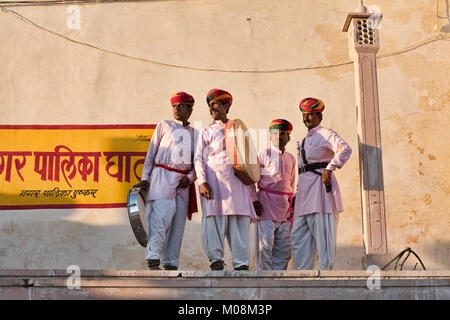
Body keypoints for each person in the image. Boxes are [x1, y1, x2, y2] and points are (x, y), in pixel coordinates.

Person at [194, 88, 256, 271]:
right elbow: (198, 158)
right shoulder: (206, 131)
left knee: (239, 221)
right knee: (214, 221)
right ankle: (216, 260)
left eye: (216, 104)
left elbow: (249, 159)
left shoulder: (238, 129)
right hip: (214, 182)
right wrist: (202, 181)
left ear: (226, 106)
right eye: (210, 105)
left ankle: (242, 263)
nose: (212, 108)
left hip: (237, 181)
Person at [136, 91, 198, 270]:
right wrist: (145, 178)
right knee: (160, 218)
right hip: (162, 177)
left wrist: (190, 178)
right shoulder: (164, 125)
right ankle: (153, 258)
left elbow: (199, 163)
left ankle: (171, 262)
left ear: (190, 109)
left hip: (183, 182)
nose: (177, 109)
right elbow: (151, 154)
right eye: (174, 106)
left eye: (181, 106)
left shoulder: (196, 133)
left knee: (178, 224)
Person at [291, 97, 352, 270]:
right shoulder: (303, 141)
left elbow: (345, 149)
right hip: (303, 197)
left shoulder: (326, 134)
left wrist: (330, 168)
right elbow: (302, 171)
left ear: (319, 116)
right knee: (298, 238)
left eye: (310, 115)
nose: (306, 118)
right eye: (304, 115)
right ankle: (304, 278)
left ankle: (326, 276)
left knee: (324, 238)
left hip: (320, 193)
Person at [247, 119, 296, 270]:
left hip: (285, 208)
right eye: (275, 134)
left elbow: (292, 184)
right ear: (270, 137)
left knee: (284, 249)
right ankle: (264, 279)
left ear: (288, 137)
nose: (279, 137)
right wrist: (254, 200)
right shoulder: (263, 154)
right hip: (265, 205)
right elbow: (250, 179)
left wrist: (292, 206)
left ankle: (278, 279)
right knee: (265, 246)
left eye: (282, 134)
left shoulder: (292, 158)